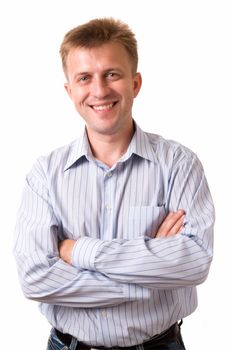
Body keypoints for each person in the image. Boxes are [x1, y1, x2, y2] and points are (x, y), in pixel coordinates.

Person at [14, 18, 215, 350]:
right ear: (70, 91)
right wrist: (148, 276)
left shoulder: (179, 165)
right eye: (84, 78)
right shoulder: (44, 176)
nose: (99, 90)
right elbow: (35, 277)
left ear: (135, 84)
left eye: (112, 74)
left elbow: (194, 259)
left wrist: (76, 251)